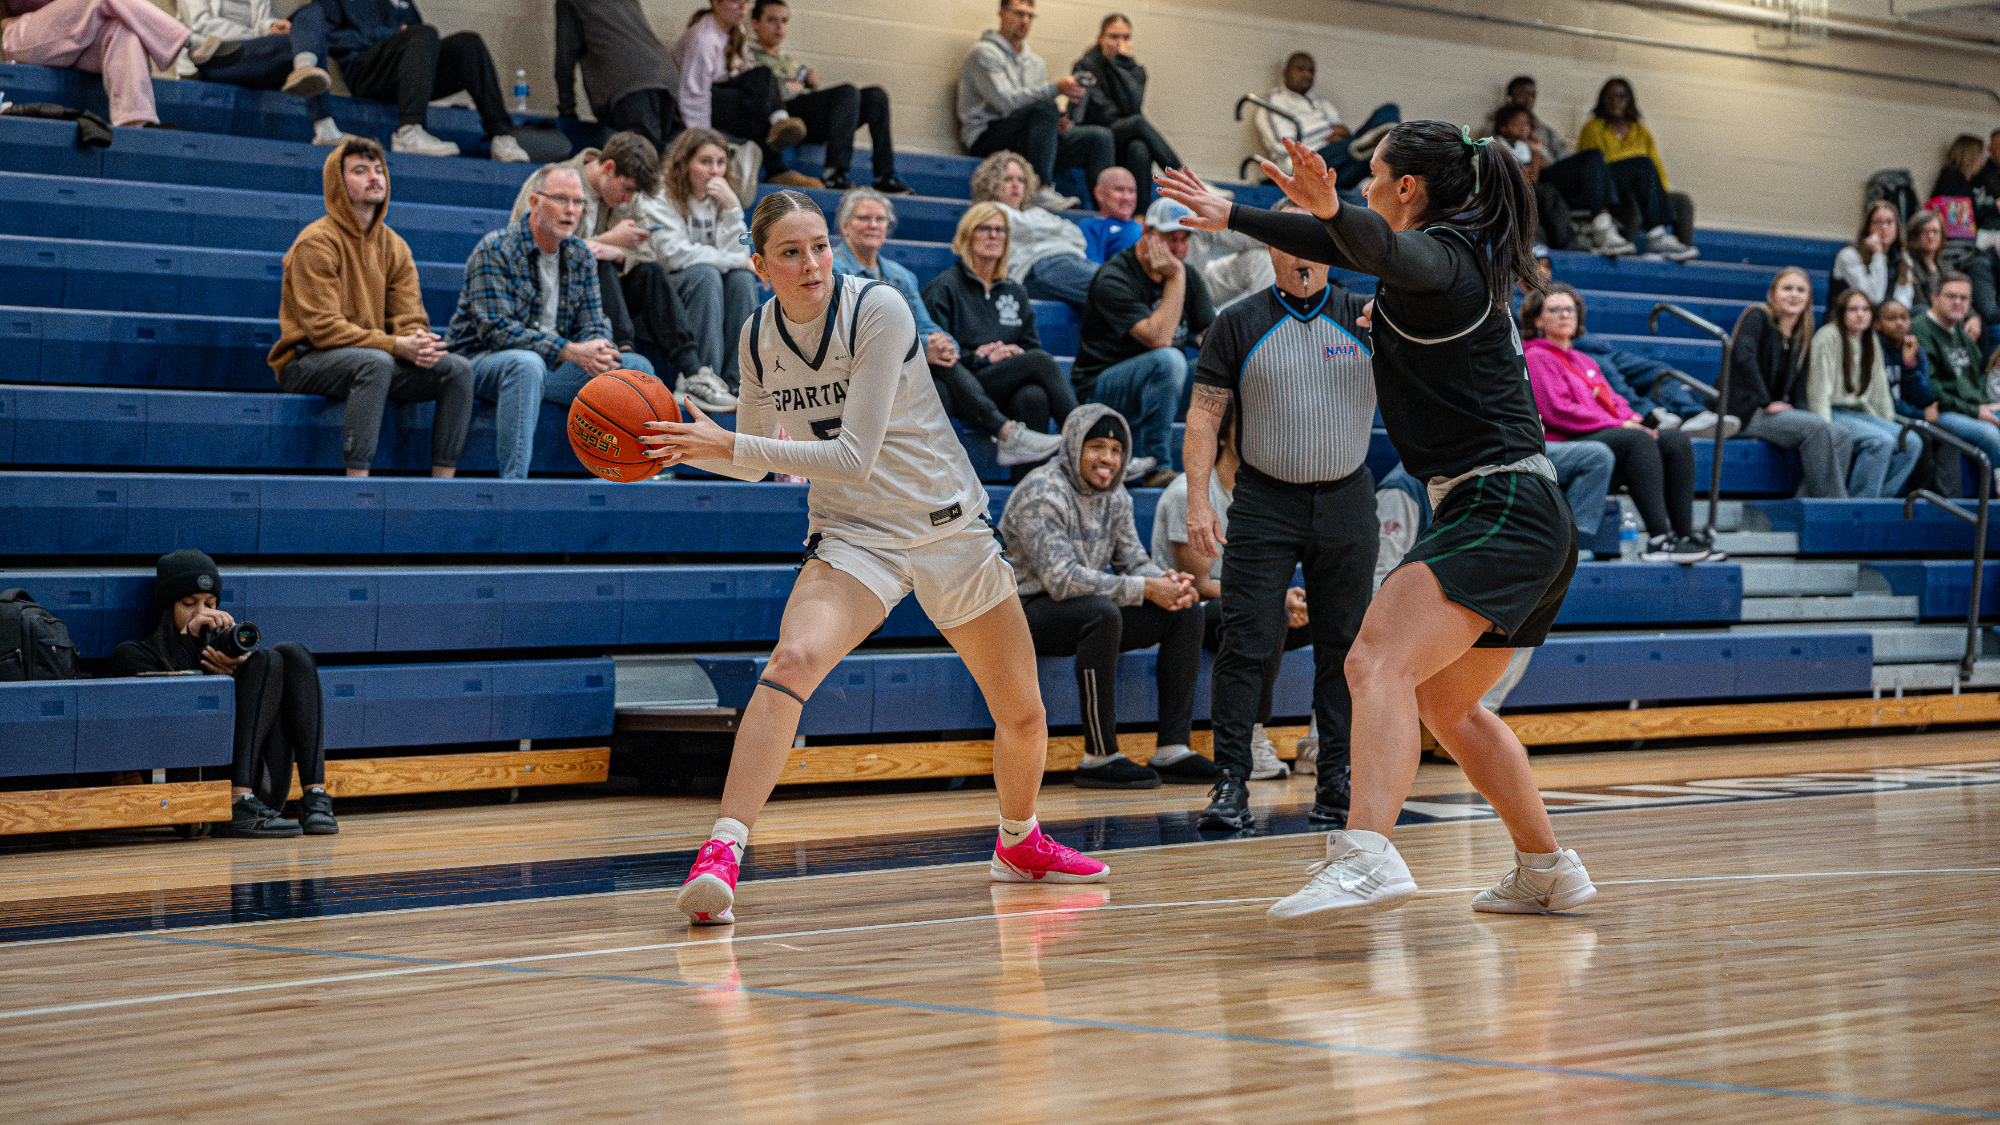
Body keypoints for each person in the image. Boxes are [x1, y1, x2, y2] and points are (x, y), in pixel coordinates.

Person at [1156, 120, 1596, 927]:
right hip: (1523, 513)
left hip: (1499, 503)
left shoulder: (1447, 256)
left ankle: (1365, 855)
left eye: (1373, 176)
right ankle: (1546, 869)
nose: (1362, 187)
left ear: (1407, 188)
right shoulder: (1443, 265)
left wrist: (1322, 211)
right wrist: (1237, 215)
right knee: (1444, 703)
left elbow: (1380, 249)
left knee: (1372, 659)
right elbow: (1364, 250)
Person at [643, 191, 1110, 924]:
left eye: (820, 246)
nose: (812, 264)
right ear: (760, 266)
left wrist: (727, 441)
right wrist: (680, 446)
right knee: (792, 660)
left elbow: (852, 455)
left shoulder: (879, 308)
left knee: (1021, 712)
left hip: (947, 528)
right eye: (791, 253)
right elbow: (757, 461)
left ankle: (1020, 841)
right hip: (855, 534)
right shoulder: (758, 334)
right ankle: (722, 850)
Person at [1181, 204, 1376, 830]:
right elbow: (1204, 416)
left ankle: (1337, 778)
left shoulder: (1366, 315)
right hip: (1265, 501)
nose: (1301, 253)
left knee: (1344, 646)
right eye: (1288, 240)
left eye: (1314, 241)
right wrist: (1197, 498)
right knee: (1246, 641)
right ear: (1269, 248)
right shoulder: (1237, 322)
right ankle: (1231, 781)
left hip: (1347, 498)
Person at [999, 405, 1204, 789]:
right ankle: (1099, 755)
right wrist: (1146, 588)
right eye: (1096, 447)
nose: (1108, 458)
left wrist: (1167, 582)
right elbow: (1061, 581)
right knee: (1102, 613)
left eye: (1116, 450)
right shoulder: (1041, 492)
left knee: (1184, 611)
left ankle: (1173, 748)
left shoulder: (1116, 495)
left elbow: (1133, 561)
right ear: (1074, 446)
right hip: (1024, 612)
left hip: (1082, 608)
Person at [271, 138, 473, 478]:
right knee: (376, 363)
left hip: (374, 357)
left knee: (457, 369)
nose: (374, 177)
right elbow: (323, 329)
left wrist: (417, 343)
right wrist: (395, 345)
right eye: (360, 171)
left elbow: (409, 315)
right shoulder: (315, 242)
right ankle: (357, 483)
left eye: (379, 170)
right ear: (338, 182)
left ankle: (443, 484)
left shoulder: (395, 246)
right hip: (308, 360)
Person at [446, 165, 657, 479]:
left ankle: (626, 477)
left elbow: (592, 322)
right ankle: (514, 485)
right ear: (535, 202)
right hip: (481, 361)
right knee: (526, 365)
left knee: (637, 368)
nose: (571, 210)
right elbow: (496, 331)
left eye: (578, 202)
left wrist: (599, 348)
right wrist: (569, 351)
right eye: (561, 199)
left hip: (549, 365)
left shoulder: (579, 256)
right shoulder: (496, 249)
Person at [107, 550, 335, 839]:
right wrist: (190, 648)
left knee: (289, 654)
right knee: (265, 662)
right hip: (191, 791)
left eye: (210, 604)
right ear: (167, 606)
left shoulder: (227, 655)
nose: (201, 613)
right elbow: (168, 723)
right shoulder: (134, 653)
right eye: (189, 603)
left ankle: (315, 797)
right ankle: (238, 799)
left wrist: (244, 674)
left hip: (260, 790)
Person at [507, 134, 726, 414]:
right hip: (550, 295)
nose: (629, 198)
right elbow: (531, 250)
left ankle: (692, 371)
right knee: (599, 262)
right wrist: (605, 242)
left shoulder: (629, 198)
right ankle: (623, 353)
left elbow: (648, 253)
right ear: (608, 168)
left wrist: (620, 253)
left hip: (600, 300)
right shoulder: (553, 182)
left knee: (650, 273)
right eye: (627, 188)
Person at [1523, 284, 1714, 562]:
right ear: (1538, 320)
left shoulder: (1584, 360)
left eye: (1570, 309)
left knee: (1675, 440)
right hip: (1567, 439)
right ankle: (1659, 539)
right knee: (1637, 440)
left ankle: (1684, 537)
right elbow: (1558, 410)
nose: (1565, 315)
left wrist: (1631, 418)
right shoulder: (1536, 356)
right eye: (1555, 310)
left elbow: (1613, 400)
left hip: (1602, 433)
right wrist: (1621, 425)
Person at [1150, 415, 1293, 782]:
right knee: (1265, 614)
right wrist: (1270, 598)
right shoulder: (1188, 494)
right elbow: (1199, 584)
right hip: (1186, 609)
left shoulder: (1258, 497)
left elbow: (1262, 575)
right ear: (1224, 436)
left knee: (1326, 617)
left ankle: (1319, 743)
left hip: (1236, 603)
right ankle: (1249, 737)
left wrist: (1282, 595)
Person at [1073, 198, 1215, 487]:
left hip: (1161, 390)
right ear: (1147, 234)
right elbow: (1159, 339)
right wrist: (1176, 276)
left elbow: (1210, 333)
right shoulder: (1114, 277)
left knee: (1227, 364)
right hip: (1104, 392)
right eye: (1170, 238)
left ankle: (1223, 468)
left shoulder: (1188, 275)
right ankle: (1156, 464)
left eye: (1184, 239)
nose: (1178, 249)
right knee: (1169, 359)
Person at [920, 202, 1072, 466]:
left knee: (1033, 396)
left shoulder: (1014, 290)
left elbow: (1031, 345)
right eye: (985, 228)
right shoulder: (944, 288)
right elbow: (939, 359)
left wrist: (1012, 353)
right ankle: (1087, 438)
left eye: (1000, 230)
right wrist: (982, 357)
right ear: (968, 235)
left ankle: (1028, 486)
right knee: (1040, 361)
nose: (993, 235)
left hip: (1001, 383)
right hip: (961, 387)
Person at [631, 128, 761, 393]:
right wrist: (736, 261)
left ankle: (740, 382)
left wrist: (732, 208)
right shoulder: (659, 195)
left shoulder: (721, 199)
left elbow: (739, 254)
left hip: (706, 290)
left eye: (720, 162)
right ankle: (702, 378)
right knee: (705, 274)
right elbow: (674, 256)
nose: (715, 171)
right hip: (660, 299)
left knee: (742, 279)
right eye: (705, 162)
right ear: (684, 164)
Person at [318, 0, 527, 161]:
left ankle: (501, 136)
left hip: (403, 75)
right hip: (365, 73)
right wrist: (389, 35)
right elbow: (332, 37)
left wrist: (403, 37)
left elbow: (417, 40)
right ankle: (409, 132)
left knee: (469, 44)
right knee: (423, 34)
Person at [957, 0, 1112, 212]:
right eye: (1019, 14)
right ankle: (1041, 190)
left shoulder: (1036, 63)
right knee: (1044, 106)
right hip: (987, 136)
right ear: (1002, 13)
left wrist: (1057, 121)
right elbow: (1006, 103)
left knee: (1100, 137)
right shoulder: (983, 54)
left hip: (1026, 138)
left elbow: (1037, 109)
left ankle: (1106, 210)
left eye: (1030, 16)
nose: (1025, 21)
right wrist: (1056, 88)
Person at [746, 0, 909, 193]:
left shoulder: (786, 60)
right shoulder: (747, 53)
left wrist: (805, 83)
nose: (779, 27)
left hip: (808, 119)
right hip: (783, 117)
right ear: (755, 23)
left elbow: (809, 87)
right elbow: (761, 89)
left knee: (875, 96)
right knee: (847, 92)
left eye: (784, 21)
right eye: (772, 20)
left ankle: (885, 175)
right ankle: (835, 173)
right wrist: (793, 87)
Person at [1724, 267, 1850, 498]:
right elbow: (1743, 357)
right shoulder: (1757, 316)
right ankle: (1835, 505)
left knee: (1840, 435)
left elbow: (1800, 390)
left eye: (1801, 290)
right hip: (1743, 410)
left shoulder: (1803, 336)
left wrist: (1804, 415)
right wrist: (1765, 401)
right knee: (1817, 429)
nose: (1794, 294)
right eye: (1787, 288)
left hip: (1771, 412)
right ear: (1773, 294)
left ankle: (1808, 505)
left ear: (1808, 298)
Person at [671, 0, 820, 188]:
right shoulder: (704, 38)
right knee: (757, 105)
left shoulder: (736, 30)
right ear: (716, 2)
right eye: (735, 1)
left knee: (762, 74)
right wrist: (703, 144)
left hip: (722, 92)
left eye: (747, 1)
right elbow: (693, 96)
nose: (742, 6)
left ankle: (780, 122)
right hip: (694, 104)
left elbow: (741, 73)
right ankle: (776, 169)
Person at [1, 0, 220, 127]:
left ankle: (136, 123)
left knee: (123, 31)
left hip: (72, 35)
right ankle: (189, 42)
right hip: (19, 34)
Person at [1492, 75, 1636, 256]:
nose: (1528, 98)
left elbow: (1561, 159)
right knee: (1547, 192)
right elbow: (1521, 173)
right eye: (1522, 94)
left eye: (1532, 94)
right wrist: (1534, 158)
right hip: (1529, 183)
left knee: (1594, 159)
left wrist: (1536, 150)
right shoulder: (1496, 137)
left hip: (1554, 175)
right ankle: (1584, 235)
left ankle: (1610, 229)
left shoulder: (1542, 132)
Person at [1804, 288, 1919, 499]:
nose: (1860, 314)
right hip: (1833, 411)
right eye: (1853, 309)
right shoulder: (1827, 336)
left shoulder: (1871, 339)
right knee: (1881, 441)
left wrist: (1887, 420)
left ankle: (1880, 499)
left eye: (1865, 310)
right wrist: (1825, 427)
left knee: (1911, 442)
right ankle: (1862, 502)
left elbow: (1879, 389)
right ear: (1841, 312)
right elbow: (1818, 388)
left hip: (1860, 412)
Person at [178, 0, 343, 146]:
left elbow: (260, 21)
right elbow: (199, 24)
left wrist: (271, 26)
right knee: (304, 41)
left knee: (312, 14)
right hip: (212, 57)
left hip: (250, 57)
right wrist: (259, 37)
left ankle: (303, 67)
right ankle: (325, 127)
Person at [1574, 78, 1697, 261]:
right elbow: (1591, 170)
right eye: (1610, 97)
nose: (1615, 101)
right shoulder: (1593, 129)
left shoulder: (1641, 131)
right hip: (1612, 190)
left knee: (1682, 201)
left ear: (1630, 100)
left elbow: (1656, 168)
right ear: (1602, 101)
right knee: (1640, 166)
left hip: (1643, 190)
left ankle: (1678, 252)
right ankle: (1653, 236)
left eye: (1621, 97)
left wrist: (1657, 199)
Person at [1069, 13, 1178, 209]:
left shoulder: (1133, 68)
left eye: (1126, 37)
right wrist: (1125, 115)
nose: (1120, 43)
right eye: (1114, 37)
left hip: (1123, 135)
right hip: (1097, 135)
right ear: (1100, 38)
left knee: (1140, 148)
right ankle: (1182, 178)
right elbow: (1102, 113)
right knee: (1137, 123)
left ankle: (1139, 216)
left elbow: (1134, 104)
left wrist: (1121, 65)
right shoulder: (1086, 66)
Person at [1250, 51, 1399, 191]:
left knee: (1389, 110)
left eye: (1311, 71)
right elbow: (1283, 144)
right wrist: (1329, 130)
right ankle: (1376, 146)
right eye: (1301, 69)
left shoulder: (1323, 105)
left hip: (1341, 162)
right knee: (1360, 147)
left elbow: (1344, 133)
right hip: (1308, 165)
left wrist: (1335, 137)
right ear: (1285, 73)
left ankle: (1377, 146)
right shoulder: (1272, 104)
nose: (1307, 75)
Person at [968, 150, 1097, 311]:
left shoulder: (1034, 213)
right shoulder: (991, 212)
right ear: (991, 183)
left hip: (1071, 260)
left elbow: (1077, 236)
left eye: (1021, 180)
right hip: (1038, 267)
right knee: (1113, 287)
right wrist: (1054, 229)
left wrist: (1040, 227)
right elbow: (1024, 227)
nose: (1016, 185)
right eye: (1008, 179)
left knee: (1116, 286)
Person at [552, 0, 680, 152]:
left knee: (638, 158)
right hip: (664, 77)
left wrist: (567, 109)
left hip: (631, 87)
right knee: (656, 155)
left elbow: (565, 58)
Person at [1918, 272, 2000, 494]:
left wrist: (1984, 406)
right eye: (1951, 296)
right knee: (1990, 435)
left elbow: (1975, 381)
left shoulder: (1960, 332)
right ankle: (1994, 502)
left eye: (1964, 298)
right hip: (1942, 412)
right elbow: (1932, 391)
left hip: (1968, 409)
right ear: (1935, 297)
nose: (1958, 303)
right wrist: (1976, 411)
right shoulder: (1921, 330)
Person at [1571, 328, 1730, 437]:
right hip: (1572, 353)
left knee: (1660, 371)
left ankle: (1693, 413)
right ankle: (1651, 418)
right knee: (1610, 378)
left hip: (1597, 348)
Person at [1830, 202, 1915, 310]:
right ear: (1868, 227)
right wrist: (1878, 254)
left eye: (1889, 222)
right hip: (1853, 315)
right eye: (1878, 222)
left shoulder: (1903, 258)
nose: (1884, 227)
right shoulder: (1849, 256)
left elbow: (1904, 301)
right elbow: (1874, 297)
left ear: (1897, 227)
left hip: (1887, 316)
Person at [1930, 134, 1996, 242]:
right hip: (1955, 241)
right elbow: (1965, 217)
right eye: (1981, 154)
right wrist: (1994, 208)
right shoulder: (1953, 181)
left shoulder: (1958, 179)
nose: (1983, 159)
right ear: (1970, 157)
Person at [1081, 166, 1143, 263]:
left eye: (1131, 191)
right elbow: (1092, 267)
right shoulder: (1089, 227)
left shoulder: (1146, 228)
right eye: (1119, 189)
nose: (1126, 197)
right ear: (1099, 193)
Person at [1906, 210, 1944, 313]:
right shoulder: (1909, 264)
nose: (1930, 236)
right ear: (1915, 235)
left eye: (1935, 231)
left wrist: (1972, 316)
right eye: (1925, 232)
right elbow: (1919, 302)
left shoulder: (1945, 263)